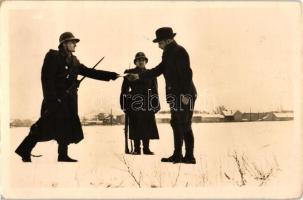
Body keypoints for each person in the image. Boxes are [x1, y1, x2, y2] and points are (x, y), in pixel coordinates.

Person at [15, 32, 119, 162]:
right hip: (55, 100)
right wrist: (51, 100)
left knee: (66, 126)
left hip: (69, 101)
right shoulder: (53, 56)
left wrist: (112, 75)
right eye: (72, 42)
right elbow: (46, 80)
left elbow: (90, 72)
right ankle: (25, 150)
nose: (75, 44)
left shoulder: (75, 61)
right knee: (44, 126)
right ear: (64, 44)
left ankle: (62, 155)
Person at [126, 27, 197, 164]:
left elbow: (187, 74)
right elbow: (158, 70)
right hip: (175, 95)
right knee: (176, 123)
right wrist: (138, 76)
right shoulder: (168, 53)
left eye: (160, 42)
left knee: (184, 124)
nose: (158, 45)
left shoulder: (179, 51)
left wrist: (186, 95)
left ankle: (189, 156)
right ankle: (177, 155)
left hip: (183, 94)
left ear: (168, 40)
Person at [120, 52, 160, 155]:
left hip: (147, 102)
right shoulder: (129, 73)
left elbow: (155, 90)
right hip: (134, 102)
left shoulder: (151, 73)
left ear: (146, 61)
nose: (141, 61)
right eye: (139, 60)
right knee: (135, 124)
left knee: (147, 124)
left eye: (143, 60)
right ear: (135, 62)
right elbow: (124, 90)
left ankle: (146, 148)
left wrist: (156, 104)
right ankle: (137, 149)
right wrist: (124, 104)